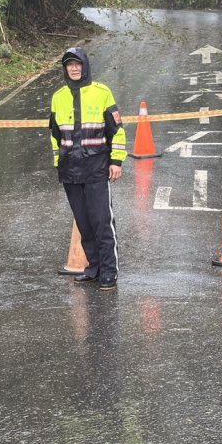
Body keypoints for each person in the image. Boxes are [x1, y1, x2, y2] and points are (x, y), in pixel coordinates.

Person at [49, 47, 127, 290]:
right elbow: (54, 134)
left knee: (101, 221)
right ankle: (93, 268)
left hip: (96, 167)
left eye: (77, 64)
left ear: (85, 66)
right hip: (70, 170)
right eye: (69, 65)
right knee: (83, 223)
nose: (73, 68)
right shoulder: (58, 97)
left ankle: (109, 271)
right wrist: (57, 161)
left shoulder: (102, 92)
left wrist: (116, 161)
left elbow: (117, 130)